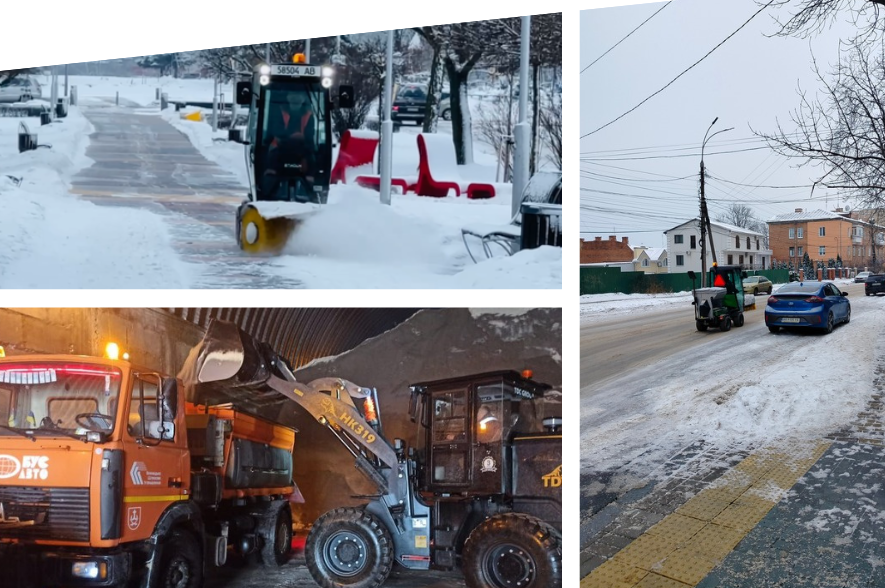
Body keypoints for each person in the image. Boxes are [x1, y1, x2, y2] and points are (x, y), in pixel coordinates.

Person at [262, 93, 317, 200]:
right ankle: (267, 190)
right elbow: (276, 130)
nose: (295, 98)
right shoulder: (279, 112)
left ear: (303, 99)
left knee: (312, 161)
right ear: (287, 98)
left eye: (299, 96)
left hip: (302, 149)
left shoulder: (309, 116)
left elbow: (309, 135)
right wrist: (291, 137)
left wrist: (297, 138)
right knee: (270, 158)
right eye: (292, 96)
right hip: (280, 147)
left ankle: (311, 191)